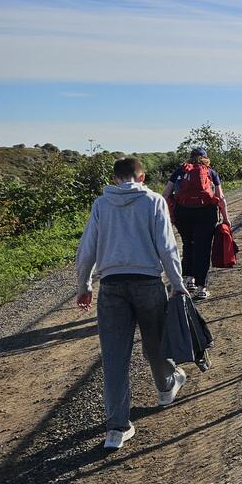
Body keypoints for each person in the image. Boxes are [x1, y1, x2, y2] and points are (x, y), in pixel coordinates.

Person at [76, 157, 190, 450]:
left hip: (112, 286)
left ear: (115, 179)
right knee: (155, 344)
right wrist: (177, 286)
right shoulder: (153, 201)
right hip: (147, 283)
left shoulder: (102, 205)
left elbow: (88, 246)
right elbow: (167, 246)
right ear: (141, 177)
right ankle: (166, 389)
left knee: (114, 358)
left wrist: (84, 285)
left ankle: (116, 429)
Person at [163, 147, 230, 300]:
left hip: (183, 213)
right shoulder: (210, 172)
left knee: (188, 244)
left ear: (190, 158)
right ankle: (202, 287)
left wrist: (168, 215)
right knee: (203, 248)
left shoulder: (180, 171)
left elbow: (166, 194)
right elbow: (221, 198)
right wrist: (226, 218)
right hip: (206, 213)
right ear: (205, 158)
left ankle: (189, 279)